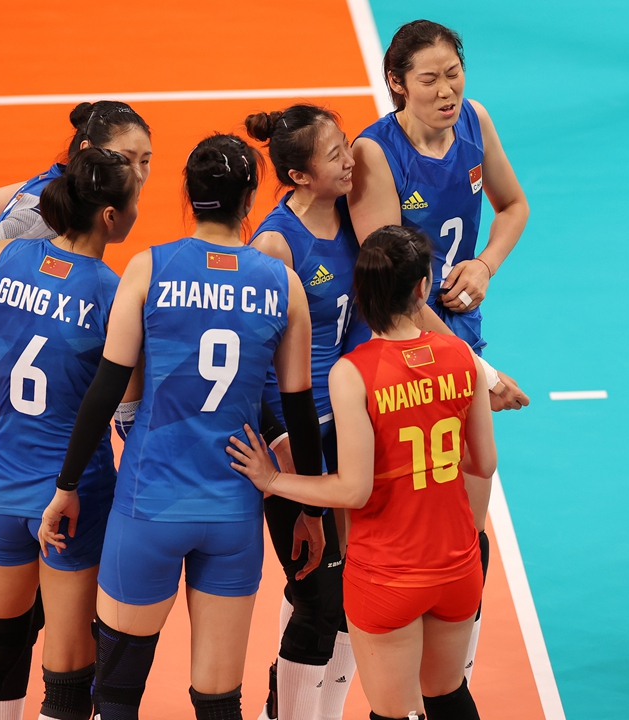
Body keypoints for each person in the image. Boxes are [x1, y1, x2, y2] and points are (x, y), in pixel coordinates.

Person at [37, 133, 321, 720]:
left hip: (150, 503)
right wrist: (311, 510)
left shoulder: (149, 267)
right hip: (233, 511)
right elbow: (297, 410)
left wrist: (66, 487)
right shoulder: (283, 284)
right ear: (249, 201)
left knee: (115, 698)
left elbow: (106, 390)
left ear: (189, 196)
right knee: (219, 705)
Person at [228, 225, 496, 720]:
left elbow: (352, 489)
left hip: (388, 573)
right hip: (457, 564)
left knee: (392, 713)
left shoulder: (354, 371)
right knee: (447, 695)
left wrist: (273, 481)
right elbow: (483, 463)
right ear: (422, 288)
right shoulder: (463, 359)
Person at [0, 148, 141, 720]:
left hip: (0, 487)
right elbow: (129, 408)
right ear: (111, 218)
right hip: (73, 498)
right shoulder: (114, 293)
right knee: (69, 677)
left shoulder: (2, 258)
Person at [349, 19, 529, 680]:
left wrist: (484, 265)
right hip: (400, 355)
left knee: (466, 530)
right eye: (429, 79)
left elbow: (513, 207)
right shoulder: (377, 154)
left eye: (454, 74)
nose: (447, 90)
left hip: (462, 343)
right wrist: (477, 370)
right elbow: (395, 288)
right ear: (398, 83)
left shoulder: (476, 123)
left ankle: (453, 680)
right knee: (397, 528)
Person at [243, 104, 366, 720]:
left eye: (348, 145)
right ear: (298, 176)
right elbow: (257, 358)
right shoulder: (274, 243)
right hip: (295, 437)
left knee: (348, 598)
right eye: (335, 152)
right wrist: (281, 439)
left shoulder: (356, 215)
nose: (351, 157)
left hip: (349, 429)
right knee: (317, 596)